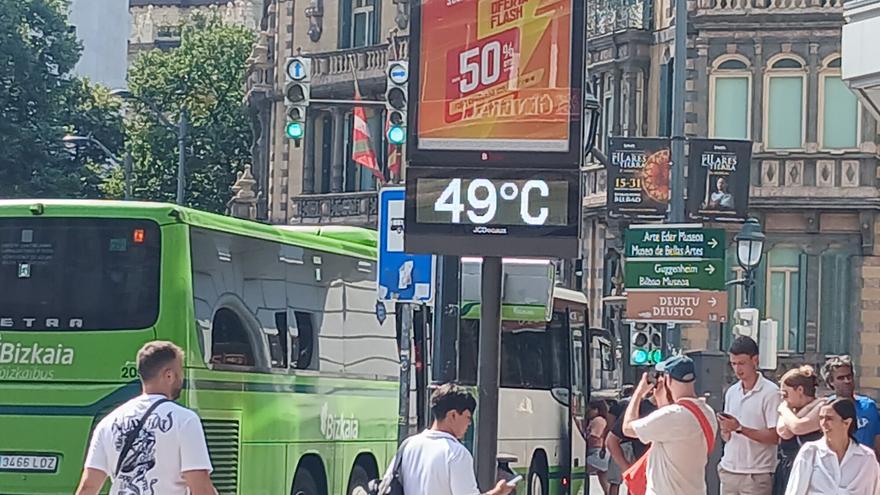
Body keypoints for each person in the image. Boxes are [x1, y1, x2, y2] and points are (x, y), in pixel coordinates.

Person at [74, 341, 216, 495]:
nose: (182, 377)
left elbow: (88, 487)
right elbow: (200, 486)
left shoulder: (108, 422)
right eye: (180, 371)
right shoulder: (185, 420)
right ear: (168, 375)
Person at [381, 383, 513, 495]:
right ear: (453, 415)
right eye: (467, 417)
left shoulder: (408, 445)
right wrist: (498, 492)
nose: (469, 423)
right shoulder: (456, 453)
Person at [622, 354, 719, 495]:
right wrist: (662, 401)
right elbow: (671, 430)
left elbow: (628, 428)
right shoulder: (707, 413)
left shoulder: (672, 416)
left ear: (668, 379)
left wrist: (639, 393)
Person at [717, 336, 780, 495]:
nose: (737, 369)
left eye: (742, 363)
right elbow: (728, 437)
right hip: (729, 470)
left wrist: (739, 428)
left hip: (756, 473)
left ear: (755, 360)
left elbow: (775, 436)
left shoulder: (771, 393)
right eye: (734, 364)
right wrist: (726, 430)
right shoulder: (732, 392)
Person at [784, 398, 880, 495]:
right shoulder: (810, 452)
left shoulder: (867, 458)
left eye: (829, 418)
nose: (823, 424)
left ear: (847, 423)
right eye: (821, 418)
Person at [774, 365, 823, 495]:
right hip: (787, 468)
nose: (783, 399)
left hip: (811, 469)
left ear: (800, 390)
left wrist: (784, 409)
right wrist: (803, 411)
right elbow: (784, 431)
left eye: (786, 394)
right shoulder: (790, 409)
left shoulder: (822, 407)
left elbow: (798, 427)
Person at [823, 355, 880, 458]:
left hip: (865, 466)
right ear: (831, 381)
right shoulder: (826, 408)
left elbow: (877, 442)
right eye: (841, 378)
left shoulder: (868, 406)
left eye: (849, 376)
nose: (847, 381)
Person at [606, 393, 658, 495]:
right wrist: (629, 471)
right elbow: (611, 439)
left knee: (615, 481)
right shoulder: (640, 407)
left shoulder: (678, 409)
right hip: (644, 473)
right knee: (615, 481)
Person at [586, 399, 611, 494]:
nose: (588, 412)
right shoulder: (603, 420)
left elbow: (594, 437)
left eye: (590, 409)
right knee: (604, 481)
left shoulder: (598, 420)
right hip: (603, 453)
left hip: (597, 452)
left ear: (596, 409)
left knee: (580, 469)